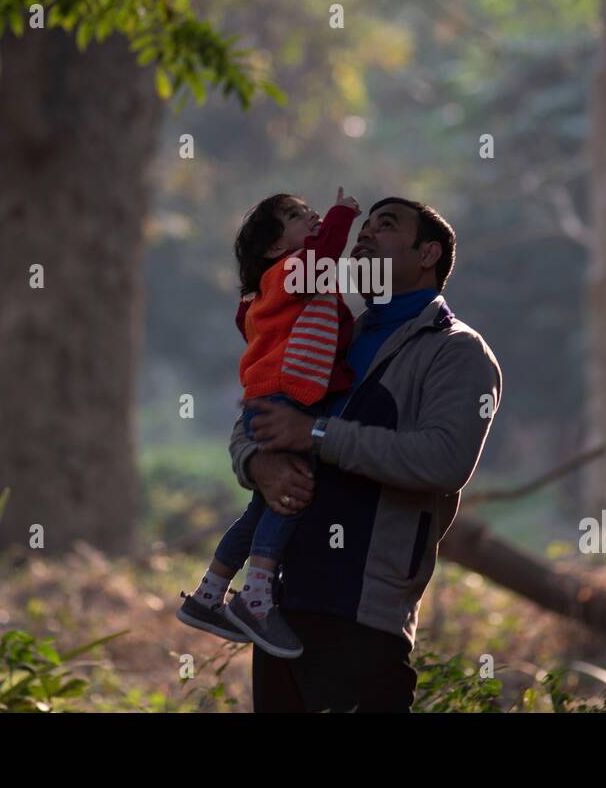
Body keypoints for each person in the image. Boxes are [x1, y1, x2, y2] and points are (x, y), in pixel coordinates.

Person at [229, 197, 502, 711]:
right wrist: (257, 463)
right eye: (366, 223)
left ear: (428, 255)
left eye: (387, 224)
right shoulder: (331, 329)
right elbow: (257, 414)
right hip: (277, 610)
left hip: (365, 614)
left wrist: (315, 435)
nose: (365, 234)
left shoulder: (457, 351)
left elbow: (444, 460)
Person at [178, 188, 361, 658]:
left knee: (261, 507)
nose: (313, 216)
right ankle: (257, 597)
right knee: (290, 495)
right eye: (299, 216)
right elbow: (322, 260)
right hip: (285, 400)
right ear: (276, 248)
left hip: (274, 396)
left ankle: (208, 594)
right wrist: (343, 215)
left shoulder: (282, 289)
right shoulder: (290, 274)